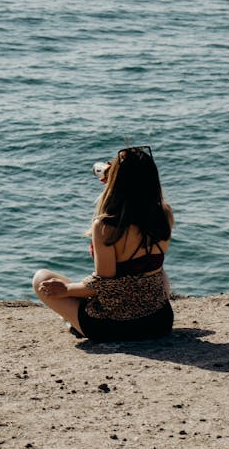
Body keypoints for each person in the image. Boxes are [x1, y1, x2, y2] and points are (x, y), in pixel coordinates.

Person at [32, 146, 174, 341]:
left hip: (111, 328)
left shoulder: (106, 226)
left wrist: (66, 290)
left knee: (41, 277)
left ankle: (75, 322)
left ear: (115, 181)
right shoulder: (165, 213)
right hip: (159, 322)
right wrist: (119, 180)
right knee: (158, 272)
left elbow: (104, 283)